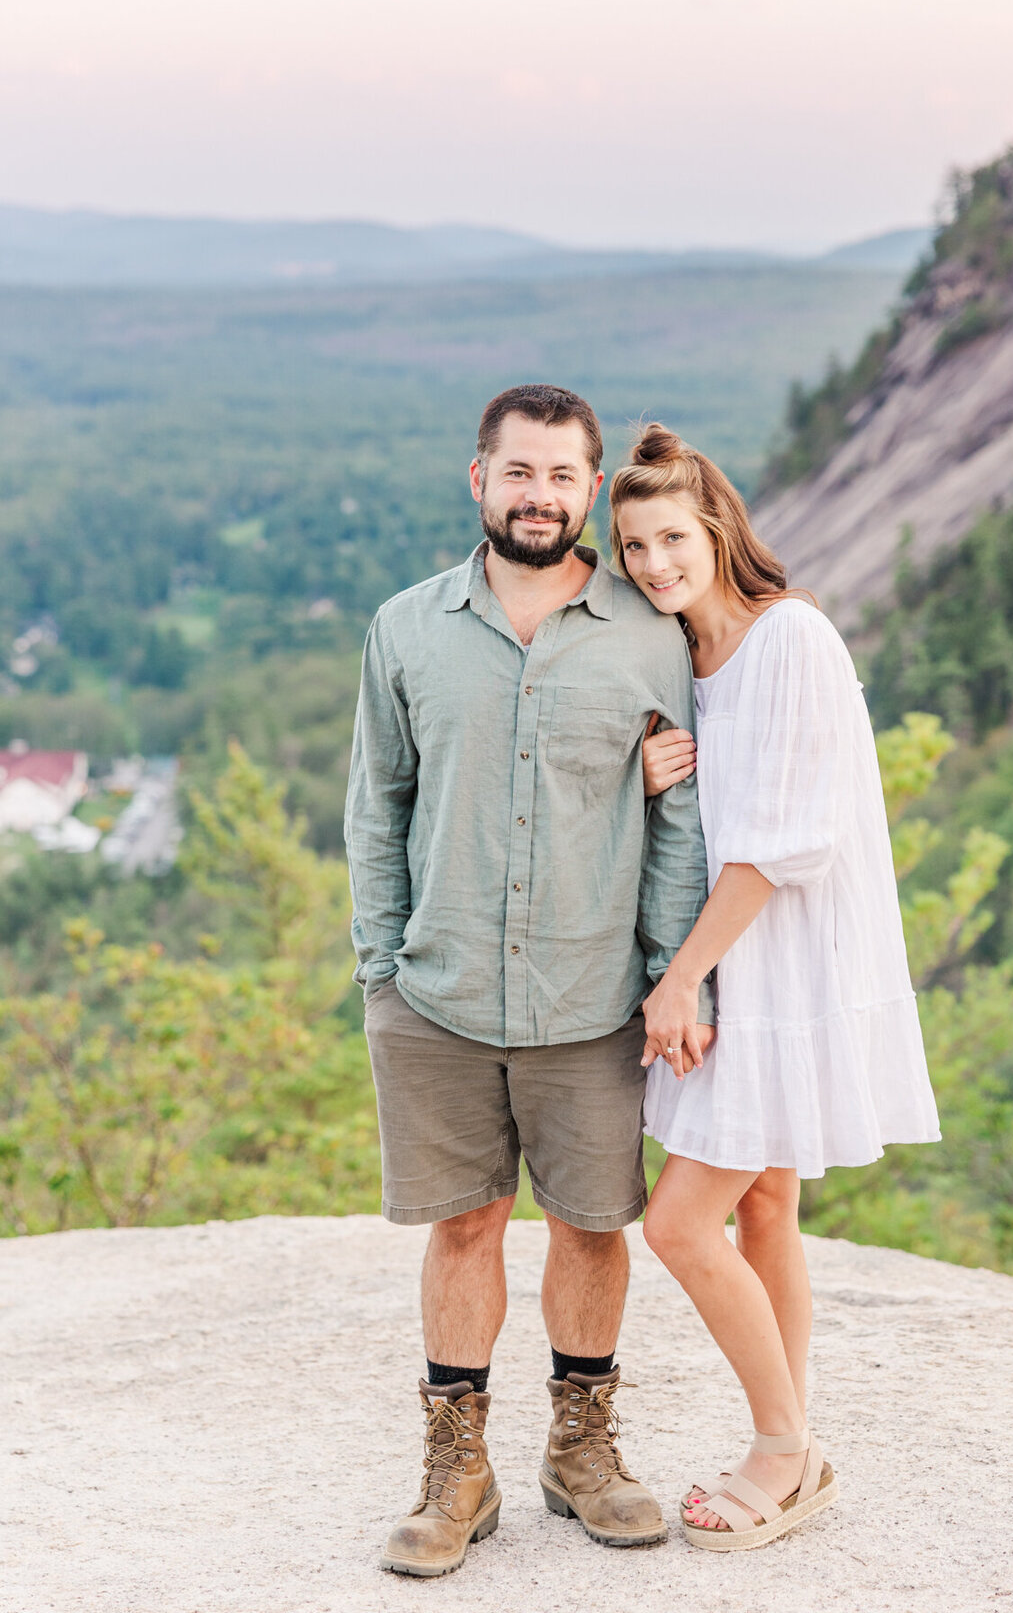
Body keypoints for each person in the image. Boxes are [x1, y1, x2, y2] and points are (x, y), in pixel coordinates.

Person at [344, 385, 713, 1577]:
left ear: (591, 489)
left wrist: (673, 979)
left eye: (563, 476)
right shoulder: (405, 629)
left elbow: (677, 828)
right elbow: (376, 809)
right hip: (438, 996)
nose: (540, 496)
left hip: (590, 1001)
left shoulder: (651, 634)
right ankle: (458, 1472)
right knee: (464, 1226)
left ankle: (582, 1452)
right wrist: (381, 973)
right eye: (520, 473)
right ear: (479, 480)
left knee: (593, 1227)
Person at [610, 422, 941, 1554]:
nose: (654, 564)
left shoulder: (788, 636)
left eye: (670, 538)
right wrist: (648, 771)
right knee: (763, 1206)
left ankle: (781, 1451)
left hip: (779, 971)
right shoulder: (688, 664)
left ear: (716, 528)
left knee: (679, 1223)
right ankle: (794, 1440)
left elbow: (781, 844)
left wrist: (680, 981)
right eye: (634, 547)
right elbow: (710, 823)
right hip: (737, 965)